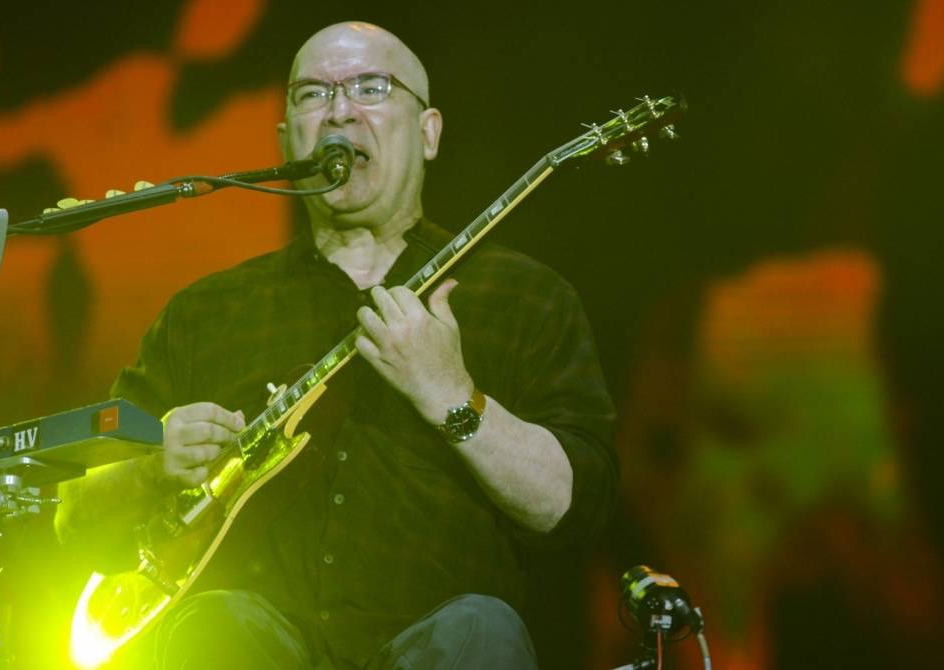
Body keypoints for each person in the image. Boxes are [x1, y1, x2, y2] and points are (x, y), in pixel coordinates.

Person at [54, 21, 617, 670]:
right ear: (284, 138)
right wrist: (152, 467)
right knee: (210, 624)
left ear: (428, 132)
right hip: (251, 647)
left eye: (370, 88)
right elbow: (74, 521)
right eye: (312, 95)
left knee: (480, 628)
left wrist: (452, 395)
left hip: (445, 649)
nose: (340, 111)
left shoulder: (522, 297)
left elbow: (577, 511)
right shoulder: (206, 312)